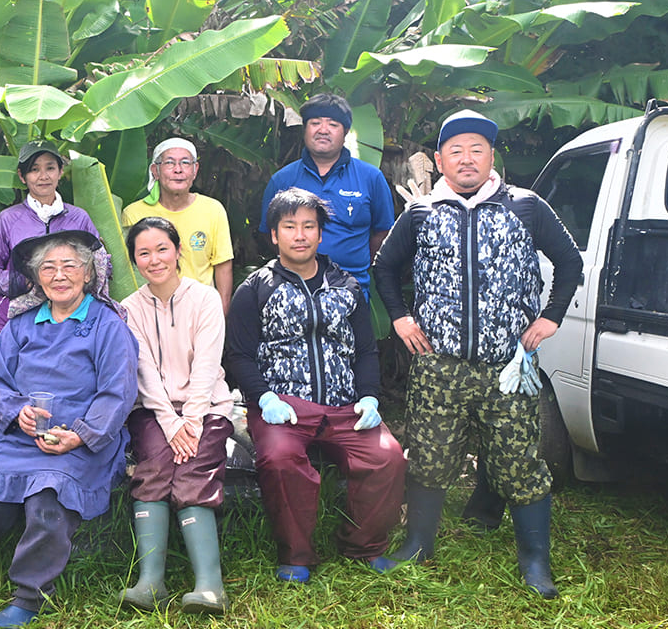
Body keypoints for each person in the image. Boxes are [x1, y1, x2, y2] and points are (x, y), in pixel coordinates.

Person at [373, 110, 583, 597]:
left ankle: (535, 561)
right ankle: (418, 545)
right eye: (456, 151)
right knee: (429, 457)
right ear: (440, 159)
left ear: (491, 157)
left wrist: (550, 317)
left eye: (476, 150)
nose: (466, 159)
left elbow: (569, 261)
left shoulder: (525, 206)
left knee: (520, 463)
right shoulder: (422, 213)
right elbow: (384, 268)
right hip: (439, 366)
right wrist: (401, 318)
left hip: (507, 367)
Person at [0, 230, 138, 629]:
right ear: (37, 278)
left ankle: (29, 594)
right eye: (48, 268)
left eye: (69, 266)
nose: (59, 275)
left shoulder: (107, 325)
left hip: (80, 441)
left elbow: (118, 391)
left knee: (48, 496)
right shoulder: (21, 324)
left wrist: (80, 435)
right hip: (23, 437)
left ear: (88, 273)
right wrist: (17, 411)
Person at [224, 188, 405, 581]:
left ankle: (364, 545)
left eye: (309, 226)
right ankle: (297, 555)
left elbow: (365, 350)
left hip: (345, 407)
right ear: (274, 235)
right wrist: (264, 397)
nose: (300, 235)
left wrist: (369, 397)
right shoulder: (255, 288)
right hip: (284, 406)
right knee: (280, 459)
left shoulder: (346, 286)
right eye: (290, 226)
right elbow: (238, 355)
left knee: (387, 457)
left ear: (321, 234)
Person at [120, 217, 234, 614]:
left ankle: (210, 586)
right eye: (144, 253)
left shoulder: (205, 299)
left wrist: (193, 420)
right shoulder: (129, 309)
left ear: (178, 251)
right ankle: (150, 582)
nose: (154, 260)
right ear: (134, 260)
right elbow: (144, 371)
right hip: (154, 411)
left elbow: (207, 364)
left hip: (207, 408)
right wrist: (171, 423)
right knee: (153, 468)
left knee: (193, 470)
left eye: (162, 249)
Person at [259, 94, 394, 297]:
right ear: (305, 129)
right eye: (315, 123)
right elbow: (268, 233)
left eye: (333, 124)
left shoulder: (371, 177)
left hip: (351, 290)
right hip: (293, 290)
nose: (323, 130)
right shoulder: (282, 180)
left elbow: (383, 232)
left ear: (346, 132)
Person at [0, 141, 101, 350]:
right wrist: (20, 282)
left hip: (69, 319)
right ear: (22, 176)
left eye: (50, 168)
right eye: (34, 170)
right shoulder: (8, 219)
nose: (43, 176)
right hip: (13, 320)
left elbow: (99, 264)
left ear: (60, 172)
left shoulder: (79, 218)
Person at [121, 138, 235, 311]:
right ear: (155, 171)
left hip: (201, 310)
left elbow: (223, 266)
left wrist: (222, 312)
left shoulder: (213, 209)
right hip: (151, 313)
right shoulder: (133, 214)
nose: (178, 169)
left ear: (195, 170)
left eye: (185, 163)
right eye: (169, 163)